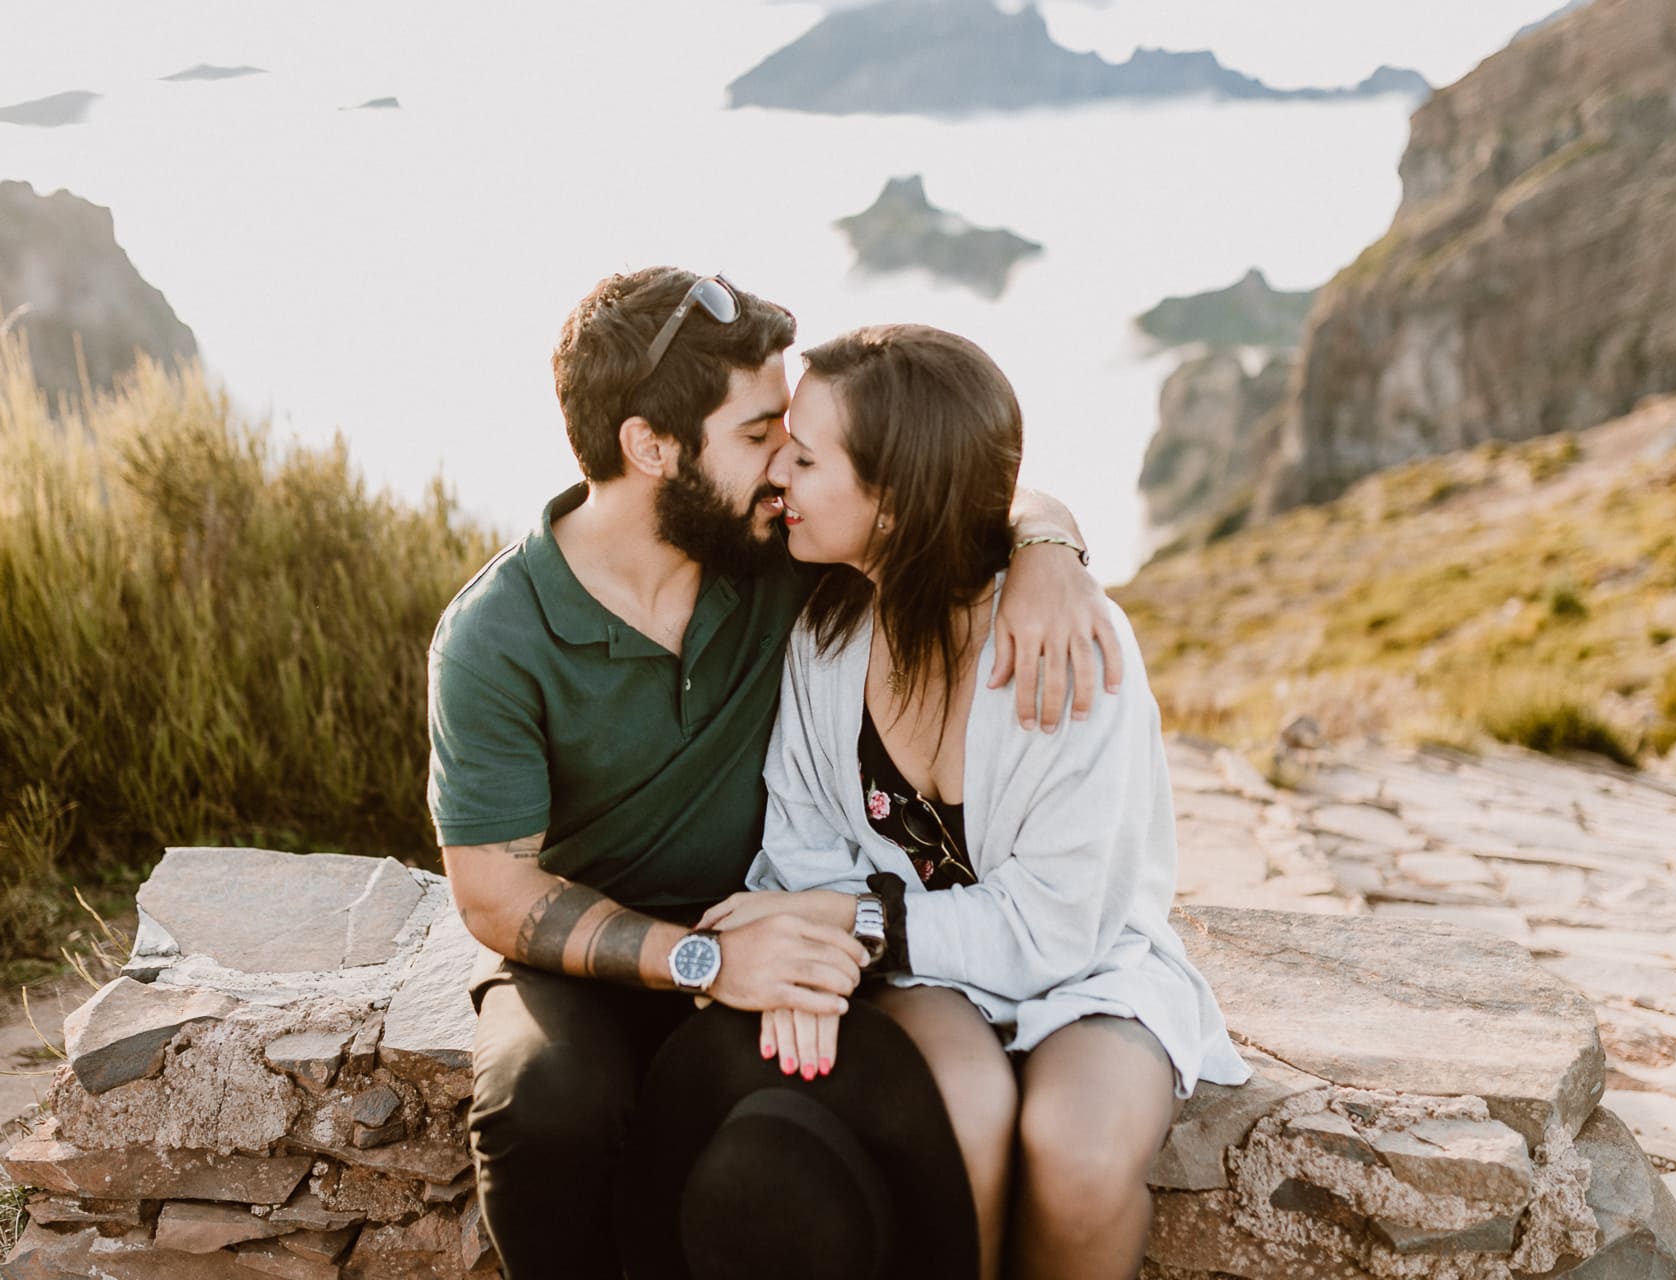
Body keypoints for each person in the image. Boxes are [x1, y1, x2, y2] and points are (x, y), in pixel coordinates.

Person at [427, 269, 1122, 1280]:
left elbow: (931, 487)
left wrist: (1050, 545)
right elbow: (492, 891)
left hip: (776, 915)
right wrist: (701, 961)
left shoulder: (778, 552)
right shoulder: (497, 632)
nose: (786, 468)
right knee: (544, 1101)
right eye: (761, 436)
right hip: (594, 957)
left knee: (840, 1143)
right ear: (651, 446)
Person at [687, 325, 1254, 1280]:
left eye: (808, 454)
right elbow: (804, 848)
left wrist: (856, 916)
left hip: (1086, 967)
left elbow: (1061, 923)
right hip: (917, 971)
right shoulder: (825, 633)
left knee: (1078, 1153)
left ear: (898, 504)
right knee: (958, 1111)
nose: (777, 466)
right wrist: (823, 950)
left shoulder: (1067, 647)